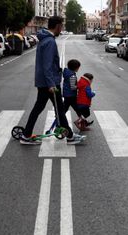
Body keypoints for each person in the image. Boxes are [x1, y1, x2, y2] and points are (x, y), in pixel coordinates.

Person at [20, 16, 85, 145]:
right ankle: (70, 136)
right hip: (50, 83)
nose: (62, 28)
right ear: (57, 26)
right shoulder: (49, 41)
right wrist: (51, 84)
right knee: (59, 109)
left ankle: (26, 135)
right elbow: (47, 65)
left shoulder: (45, 39)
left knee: (40, 108)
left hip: (44, 82)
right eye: (61, 26)